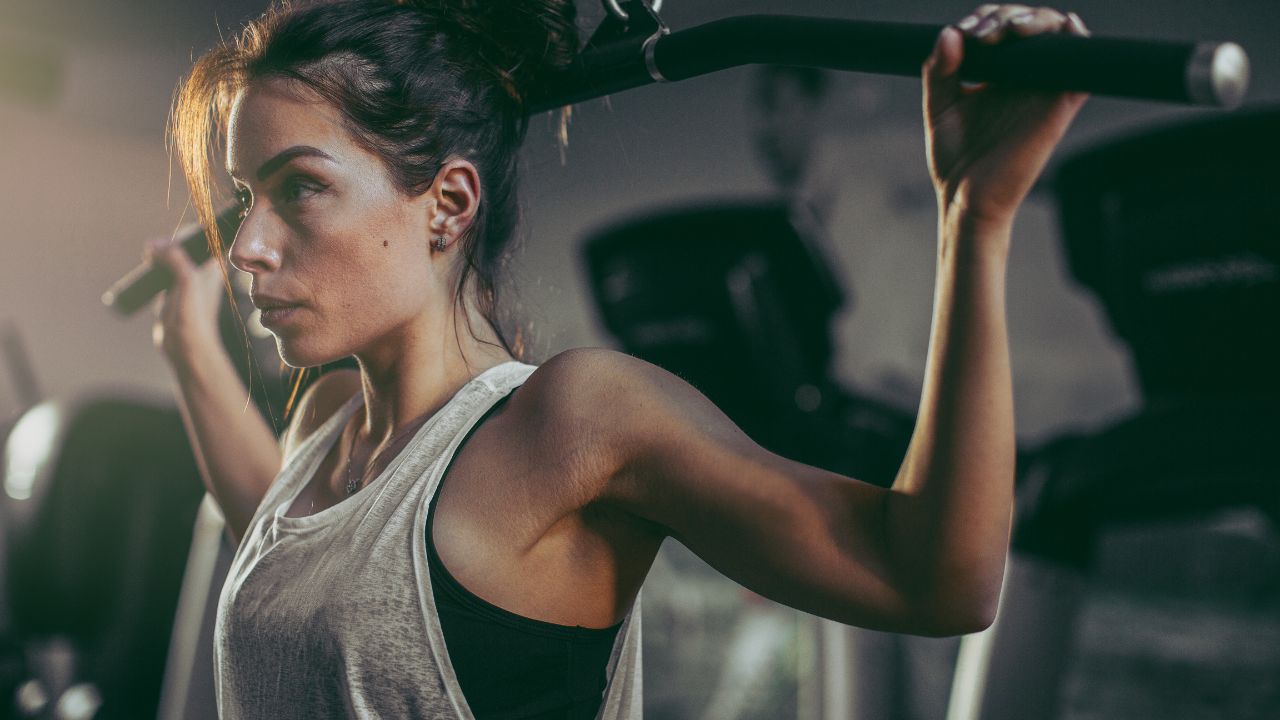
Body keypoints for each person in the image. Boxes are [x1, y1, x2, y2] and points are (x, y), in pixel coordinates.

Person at [148, 1, 1091, 717]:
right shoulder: (325, 427)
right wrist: (189, 345)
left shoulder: (571, 421)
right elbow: (287, 565)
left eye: (299, 188)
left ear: (447, 202)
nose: (248, 248)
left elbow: (938, 579)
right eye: (244, 200)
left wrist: (976, 217)